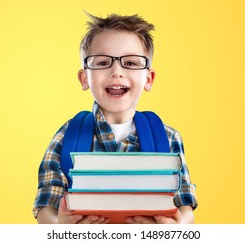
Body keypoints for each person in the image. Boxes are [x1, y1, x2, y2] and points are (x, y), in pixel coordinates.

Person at [33, 13, 198, 224]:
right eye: (102, 62)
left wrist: (171, 229)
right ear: (85, 78)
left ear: (148, 79)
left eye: (130, 63)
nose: (116, 71)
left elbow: (185, 210)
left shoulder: (168, 138)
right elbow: (45, 208)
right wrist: (61, 228)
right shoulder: (67, 136)